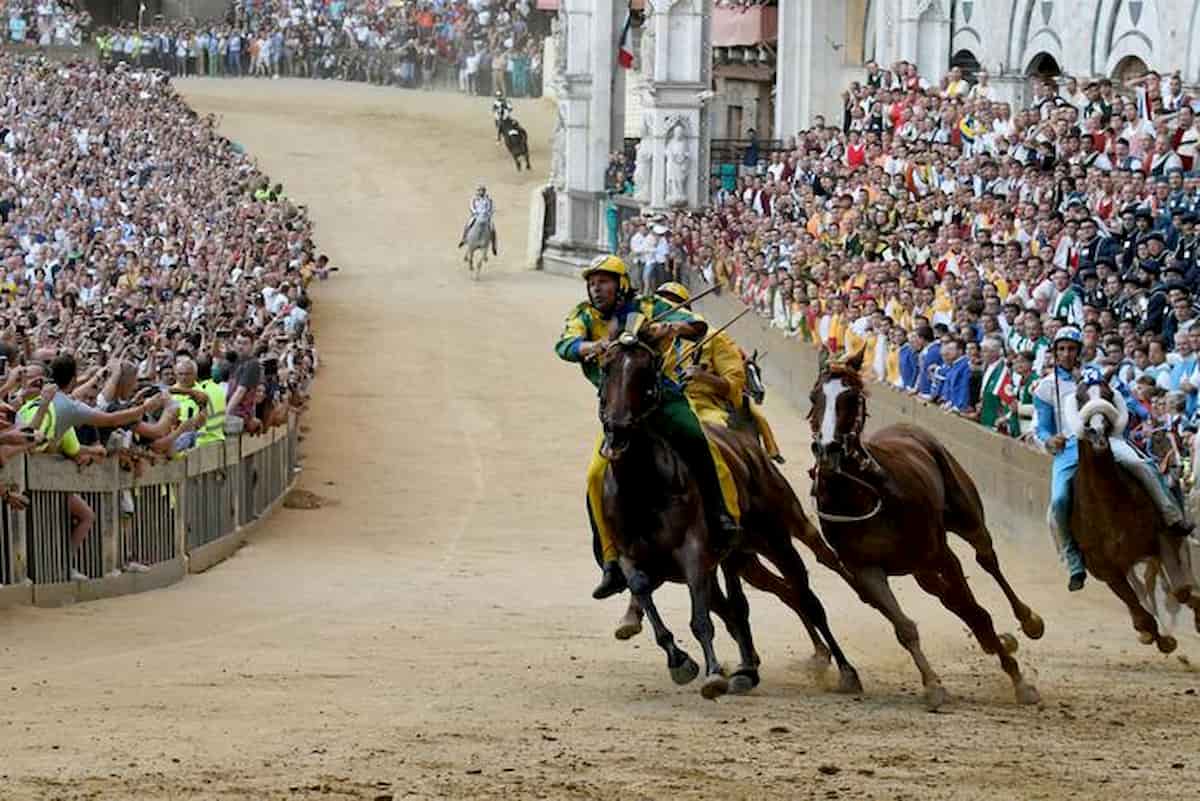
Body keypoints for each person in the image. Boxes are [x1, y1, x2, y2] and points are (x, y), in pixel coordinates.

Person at [555, 256, 742, 601]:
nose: (596, 289)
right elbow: (564, 345)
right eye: (592, 283)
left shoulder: (649, 306)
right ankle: (611, 561)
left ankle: (720, 515)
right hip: (618, 411)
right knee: (596, 475)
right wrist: (590, 346)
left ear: (621, 284)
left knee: (698, 441)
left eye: (603, 282)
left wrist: (671, 329)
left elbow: (696, 325)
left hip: (662, 400)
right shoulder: (583, 316)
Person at [1035, 327, 1193, 593]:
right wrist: (1049, 440)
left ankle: (1172, 516)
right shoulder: (1045, 387)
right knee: (1059, 500)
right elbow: (1042, 426)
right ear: (1054, 352)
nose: (1066, 354)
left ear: (1079, 351)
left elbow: (1127, 400)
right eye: (1061, 349)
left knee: (1142, 465)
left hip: (1109, 440)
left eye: (1071, 349)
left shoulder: (1096, 375)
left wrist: (1144, 414)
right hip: (1070, 449)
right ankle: (1073, 559)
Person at [654, 282, 784, 463]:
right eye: (662, 305)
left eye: (674, 306)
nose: (667, 311)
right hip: (657, 404)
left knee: (719, 442)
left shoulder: (714, 338)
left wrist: (704, 377)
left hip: (702, 406)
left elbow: (734, 385)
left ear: (686, 311)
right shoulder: (646, 338)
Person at [457, 184, 497, 255]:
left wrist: (488, 213)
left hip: (486, 216)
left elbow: (491, 207)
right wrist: (475, 212)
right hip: (476, 216)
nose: (481, 192)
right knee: (468, 224)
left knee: (492, 228)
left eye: (482, 190)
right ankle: (464, 239)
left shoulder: (488, 199)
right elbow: (471, 207)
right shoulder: (474, 199)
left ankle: (493, 246)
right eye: (480, 190)